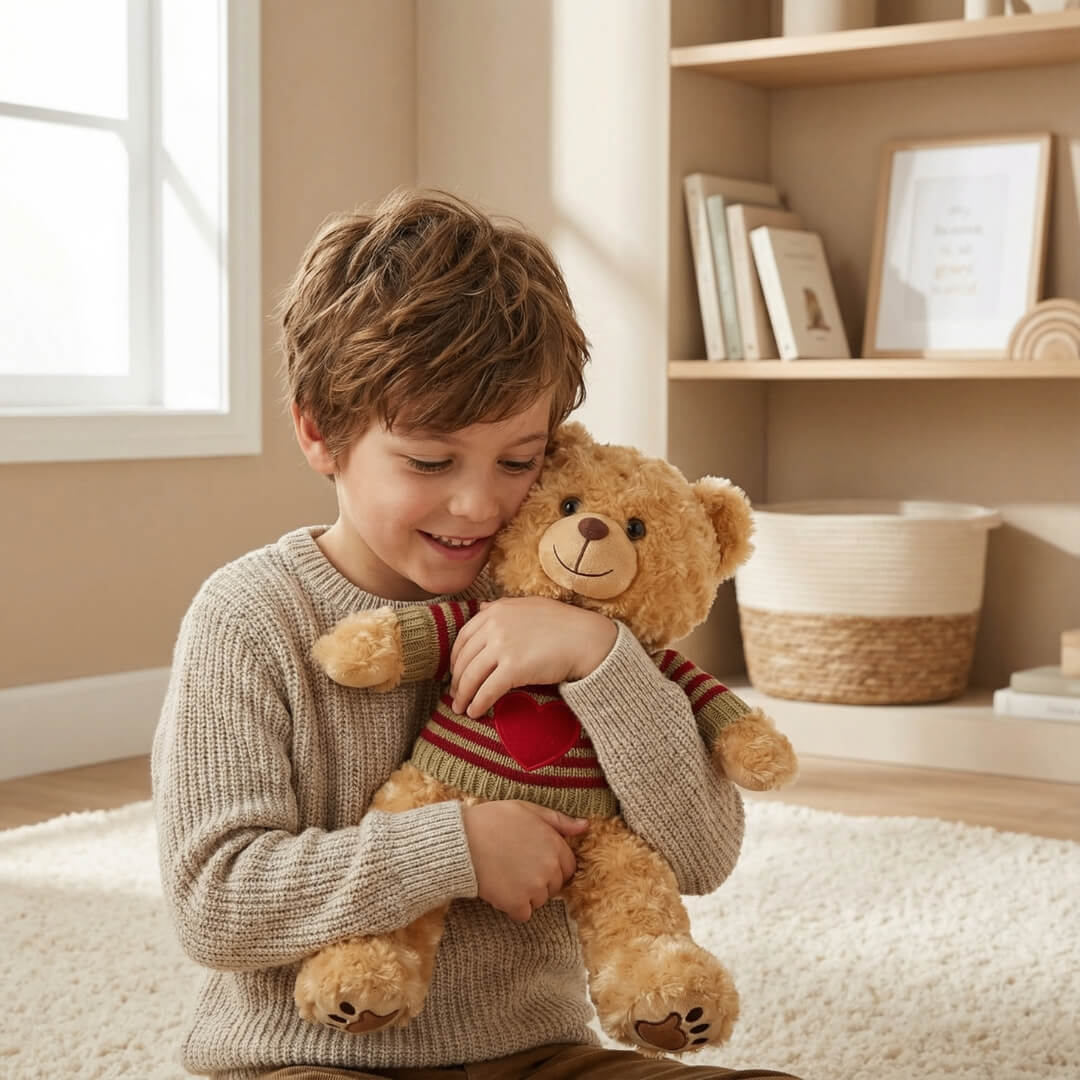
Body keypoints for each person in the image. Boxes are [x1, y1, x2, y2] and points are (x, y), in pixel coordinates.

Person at [152, 188, 801, 1080]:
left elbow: (699, 854)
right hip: (305, 1060)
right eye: (429, 461)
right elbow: (214, 903)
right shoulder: (250, 618)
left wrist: (599, 660)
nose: (480, 503)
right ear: (320, 432)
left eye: (520, 459)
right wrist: (454, 849)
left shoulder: (574, 593)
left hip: (535, 1055)